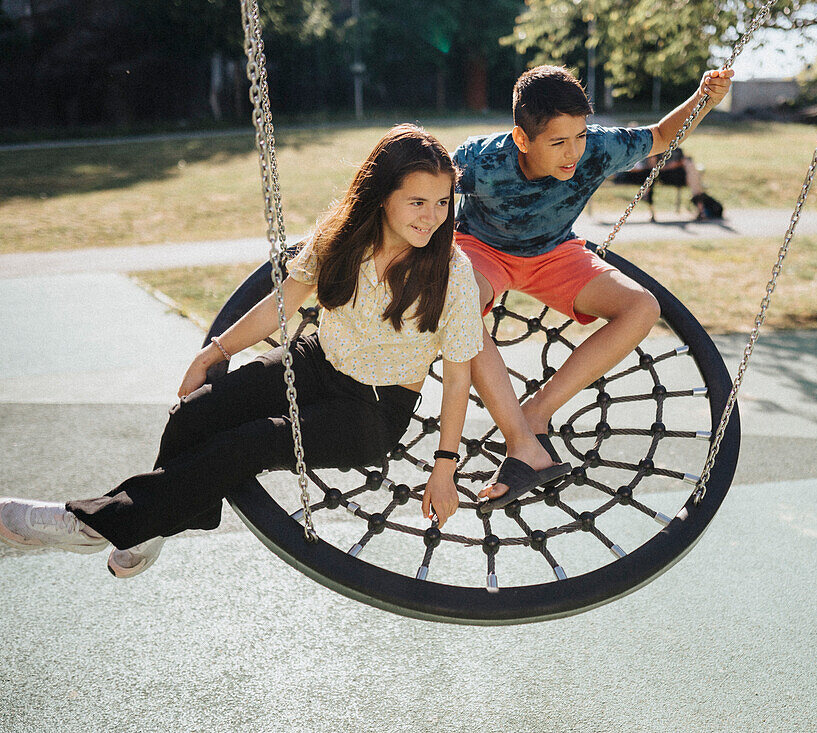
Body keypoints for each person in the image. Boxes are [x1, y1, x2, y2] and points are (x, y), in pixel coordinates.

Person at [0, 124, 483, 576]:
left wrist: (444, 467)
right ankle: (156, 519)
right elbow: (281, 305)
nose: (433, 217)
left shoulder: (452, 273)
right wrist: (213, 352)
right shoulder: (342, 237)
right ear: (381, 197)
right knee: (195, 413)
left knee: (249, 443)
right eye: (418, 201)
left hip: (373, 410)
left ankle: (88, 524)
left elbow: (458, 377)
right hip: (315, 361)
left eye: (442, 202)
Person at [454, 64, 732, 508]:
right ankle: (520, 440)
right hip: (483, 249)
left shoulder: (597, 148)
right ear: (522, 139)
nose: (573, 153)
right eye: (558, 142)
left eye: (579, 136)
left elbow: (661, 136)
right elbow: (420, 190)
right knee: (455, 302)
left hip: (555, 254)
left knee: (642, 307)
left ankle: (536, 413)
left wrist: (704, 99)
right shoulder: (480, 160)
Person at [612, 148, 723, 222]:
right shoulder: (652, 148)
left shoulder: (675, 148)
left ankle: (701, 208)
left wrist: (677, 164)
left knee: (689, 166)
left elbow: (681, 160)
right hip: (656, 175)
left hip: (673, 175)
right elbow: (652, 166)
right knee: (652, 175)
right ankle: (701, 208)